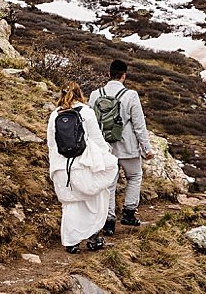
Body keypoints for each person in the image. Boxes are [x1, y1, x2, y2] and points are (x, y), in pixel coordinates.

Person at [46, 82, 117, 253]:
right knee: (94, 201)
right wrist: (108, 155)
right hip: (83, 166)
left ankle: (71, 242)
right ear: (80, 94)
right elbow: (97, 140)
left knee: (70, 205)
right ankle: (93, 239)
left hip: (62, 169)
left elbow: (51, 144)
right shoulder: (86, 112)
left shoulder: (54, 115)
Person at [89, 58, 152, 233]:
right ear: (124, 76)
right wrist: (146, 148)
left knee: (110, 184)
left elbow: (90, 122)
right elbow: (139, 125)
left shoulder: (96, 94)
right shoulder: (130, 95)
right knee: (134, 177)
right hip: (128, 148)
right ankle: (129, 214)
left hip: (105, 149)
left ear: (108, 74)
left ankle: (108, 222)